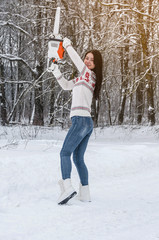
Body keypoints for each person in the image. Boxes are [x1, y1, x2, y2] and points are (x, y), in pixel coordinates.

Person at [49, 37, 103, 205]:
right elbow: (65, 85)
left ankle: (67, 187)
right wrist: (56, 71)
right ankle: (85, 193)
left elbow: (77, 61)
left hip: (80, 121)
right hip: (87, 123)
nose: (88, 61)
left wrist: (67, 45)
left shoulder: (89, 75)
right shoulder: (82, 78)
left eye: (91, 60)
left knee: (64, 153)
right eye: (87, 58)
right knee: (78, 158)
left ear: (96, 65)